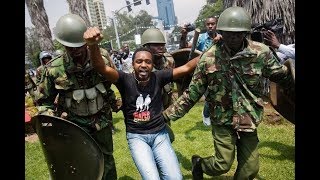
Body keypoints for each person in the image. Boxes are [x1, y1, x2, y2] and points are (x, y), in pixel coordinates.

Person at [162, 6, 294, 180]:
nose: (233, 37)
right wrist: (165, 115)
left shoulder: (261, 53)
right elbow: (192, 92)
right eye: (229, 33)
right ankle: (199, 164)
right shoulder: (209, 57)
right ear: (221, 31)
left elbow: (282, 76)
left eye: (238, 33)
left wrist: (292, 86)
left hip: (248, 116)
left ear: (245, 33)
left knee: (250, 169)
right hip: (222, 118)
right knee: (222, 164)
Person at [84, 26, 200, 179]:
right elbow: (100, 67)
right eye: (139, 61)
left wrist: (208, 54)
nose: (143, 65)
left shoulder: (159, 77)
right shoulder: (124, 80)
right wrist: (93, 45)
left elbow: (185, 68)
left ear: (152, 65)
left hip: (160, 135)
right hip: (137, 137)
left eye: (147, 62)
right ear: (133, 64)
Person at [35, 13, 117, 180]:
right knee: (79, 164)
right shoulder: (53, 69)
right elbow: (44, 103)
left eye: (79, 46)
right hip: (74, 127)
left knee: (107, 161)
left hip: (101, 122)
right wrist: (54, 125)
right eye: (70, 47)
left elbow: (112, 83)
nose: (76, 51)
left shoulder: (103, 58)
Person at [180, 16, 221, 127]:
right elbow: (184, 47)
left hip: (219, 69)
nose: (210, 26)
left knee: (219, 95)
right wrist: (183, 35)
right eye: (208, 24)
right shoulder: (201, 38)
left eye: (213, 24)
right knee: (210, 94)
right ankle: (206, 114)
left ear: (216, 24)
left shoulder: (222, 37)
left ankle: (214, 114)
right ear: (205, 25)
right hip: (203, 71)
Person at [141, 28, 177, 142]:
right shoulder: (140, 67)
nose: (161, 47)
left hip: (165, 107)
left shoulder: (169, 61)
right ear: (146, 47)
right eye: (156, 45)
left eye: (162, 45)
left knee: (166, 138)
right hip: (149, 111)